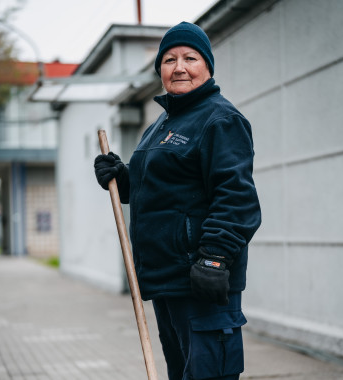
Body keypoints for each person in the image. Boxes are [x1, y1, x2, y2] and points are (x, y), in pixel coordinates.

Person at [94, 21, 261, 380]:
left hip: (200, 281)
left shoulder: (221, 120)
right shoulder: (162, 125)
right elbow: (158, 189)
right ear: (161, 70)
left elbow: (237, 198)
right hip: (166, 282)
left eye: (190, 57)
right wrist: (121, 177)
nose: (179, 66)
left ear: (207, 67)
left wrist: (214, 259)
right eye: (169, 59)